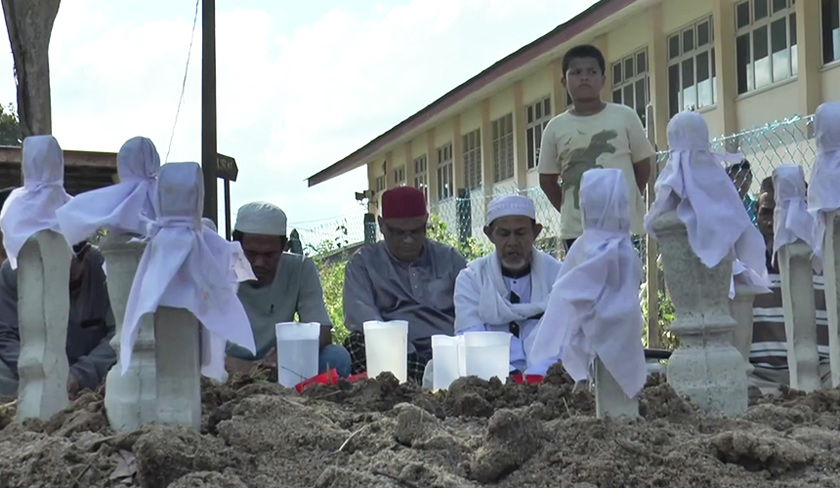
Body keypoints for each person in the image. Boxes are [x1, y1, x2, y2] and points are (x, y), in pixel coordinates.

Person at [537, 44, 655, 253]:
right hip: (578, 232)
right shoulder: (555, 128)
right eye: (576, 72)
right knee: (583, 276)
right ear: (564, 82)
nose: (584, 78)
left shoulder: (625, 116)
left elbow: (643, 165)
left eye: (592, 72)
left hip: (623, 225)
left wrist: (625, 199)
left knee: (624, 274)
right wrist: (572, 210)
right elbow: (547, 180)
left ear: (603, 80)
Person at [343, 186, 467, 382]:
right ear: (382, 225)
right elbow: (362, 318)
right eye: (399, 232)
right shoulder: (363, 264)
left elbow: (472, 312)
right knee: (355, 344)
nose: (408, 240)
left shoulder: (450, 259)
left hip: (448, 352)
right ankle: (419, 381)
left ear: (426, 222)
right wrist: (402, 350)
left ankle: (428, 379)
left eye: (416, 231)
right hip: (395, 354)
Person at [225, 202, 352, 378]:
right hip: (228, 364)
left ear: (284, 247)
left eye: (269, 255)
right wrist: (245, 368)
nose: (259, 263)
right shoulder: (215, 270)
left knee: (336, 357)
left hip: (280, 363)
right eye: (251, 254)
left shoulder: (300, 268)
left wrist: (286, 356)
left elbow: (321, 331)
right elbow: (197, 343)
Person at [453, 194, 562, 373]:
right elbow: (470, 340)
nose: (512, 243)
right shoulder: (472, 278)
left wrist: (536, 376)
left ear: (536, 232)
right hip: (490, 377)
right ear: (490, 234)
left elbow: (566, 339)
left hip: (548, 376)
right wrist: (508, 375)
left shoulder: (558, 276)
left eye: (520, 233)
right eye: (503, 234)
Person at [0, 240, 116, 398]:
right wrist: (37, 371)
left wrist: (80, 374)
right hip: (29, 371)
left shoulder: (108, 268)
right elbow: (4, 334)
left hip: (93, 374)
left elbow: (120, 333)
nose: (52, 271)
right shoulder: (13, 271)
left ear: (85, 254)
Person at [749, 176, 830, 393]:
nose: (773, 223)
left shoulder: (826, 265)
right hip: (761, 378)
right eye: (766, 213)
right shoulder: (745, 269)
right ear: (756, 214)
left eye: (783, 213)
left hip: (824, 376)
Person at [727, 158, 757, 225]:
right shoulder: (725, 204)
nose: (744, 181)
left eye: (747, 177)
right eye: (738, 177)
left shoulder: (754, 204)